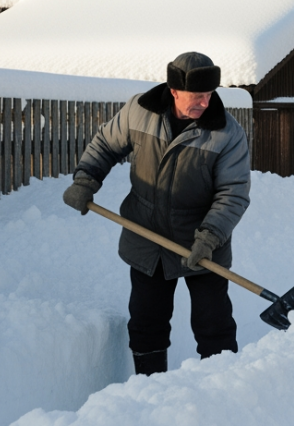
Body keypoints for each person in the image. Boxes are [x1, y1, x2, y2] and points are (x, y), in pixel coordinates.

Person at [61, 51, 251, 376]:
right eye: (196, 96)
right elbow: (106, 144)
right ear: (174, 90)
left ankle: (221, 390)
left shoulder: (226, 133)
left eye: (209, 95)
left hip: (202, 242)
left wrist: (209, 238)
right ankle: (150, 391)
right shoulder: (139, 112)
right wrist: (85, 180)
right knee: (147, 321)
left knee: (213, 324)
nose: (204, 103)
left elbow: (232, 193)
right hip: (146, 239)